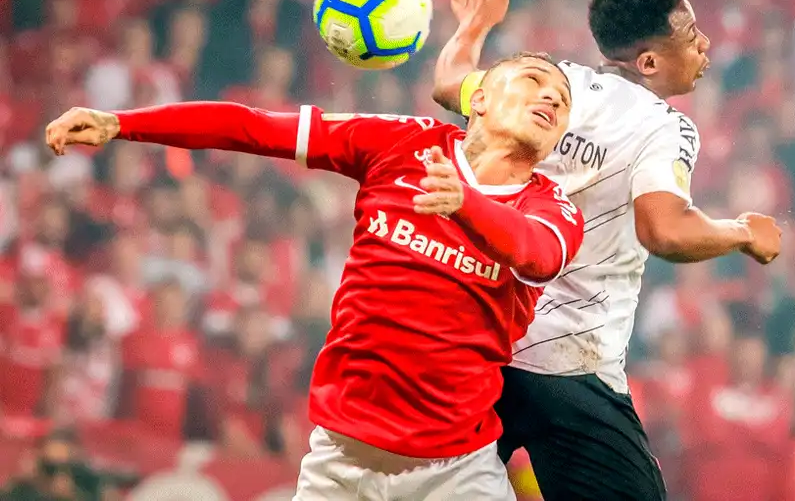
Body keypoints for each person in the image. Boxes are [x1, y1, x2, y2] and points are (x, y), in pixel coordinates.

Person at [44, 51, 585, 501]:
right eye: (535, 81)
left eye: (561, 103)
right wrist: (124, 123)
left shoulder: (552, 208)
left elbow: (539, 254)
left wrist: (466, 204)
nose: (550, 99)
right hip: (341, 462)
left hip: (456, 473)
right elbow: (252, 127)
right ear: (481, 99)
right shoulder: (399, 144)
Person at [433, 0, 783, 500]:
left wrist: (473, 25)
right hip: (569, 368)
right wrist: (742, 232)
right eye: (691, 36)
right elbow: (664, 230)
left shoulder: (544, 87)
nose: (705, 44)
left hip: (481, 346)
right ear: (647, 62)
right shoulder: (665, 127)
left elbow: (450, 84)